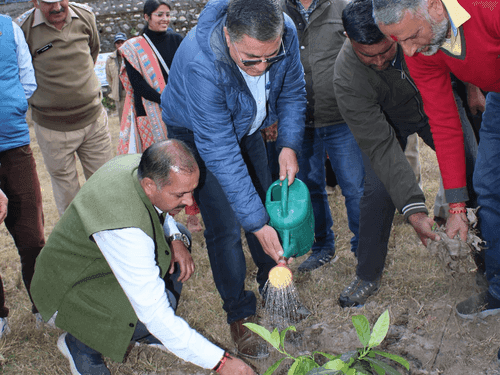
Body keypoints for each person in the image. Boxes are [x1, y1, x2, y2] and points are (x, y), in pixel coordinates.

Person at [31, 140, 256, 375]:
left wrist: (176, 237)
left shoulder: (141, 167)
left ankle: (138, 332)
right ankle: (80, 346)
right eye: (180, 194)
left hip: (91, 269)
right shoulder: (124, 227)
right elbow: (155, 313)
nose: (191, 202)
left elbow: (159, 211)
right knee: (155, 308)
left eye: (192, 191)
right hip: (65, 292)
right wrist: (220, 362)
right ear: (149, 185)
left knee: (180, 241)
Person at [161, 0, 306, 359]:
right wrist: (254, 222)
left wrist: (289, 144)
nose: (261, 69)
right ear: (228, 36)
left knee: (263, 206)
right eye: (250, 60)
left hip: (246, 125)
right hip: (197, 133)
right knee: (226, 225)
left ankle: (273, 287)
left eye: (270, 58)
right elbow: (220, 150)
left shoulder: (283, 29)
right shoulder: (201, 62)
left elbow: (292, 91)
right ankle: (240, 314)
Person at [333, 0, 478, 307]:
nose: (379, 61)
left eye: (387, 50)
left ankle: (483, 257)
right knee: (377, 191)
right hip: (385, 124)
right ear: (348, 37)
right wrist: (415, 212)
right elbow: (380, 147)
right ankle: (367, 274)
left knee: (471, 166)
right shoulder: (346, 77)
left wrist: (472, 87)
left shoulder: (414, 36)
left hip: (436, 107)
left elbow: (460, 59)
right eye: (367, 55)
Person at [371, 0, 500, 323]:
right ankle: (498, 288)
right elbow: (443, 122)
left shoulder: (489, 9)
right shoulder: (420, 49)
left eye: (412, 36)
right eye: (400, 42)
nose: (409, 52)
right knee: (487, 185)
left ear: (436, 7)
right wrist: (456, 207)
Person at [283, 0, 365, 272]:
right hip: (298, 119)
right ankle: (321, 247)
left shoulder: (343, 8)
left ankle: (364, 250)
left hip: (341, 115)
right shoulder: (278, 12)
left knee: (354, 187)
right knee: (310, 188)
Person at [16, 0, 113, 217]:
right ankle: (79, 246)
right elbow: (21, 73)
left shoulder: (86, 16)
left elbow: (92, 52)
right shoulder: (22, 29)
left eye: (62, 0)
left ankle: (109, 242)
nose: (58, 7)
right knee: (68, 198)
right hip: (53, 130)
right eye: (49, 3)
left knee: (107, 187)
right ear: (35, 2)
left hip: (94, 122)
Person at [119, 0, 203, 233]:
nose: (164, 19)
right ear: (146, 17)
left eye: (167, 15)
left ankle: (193, 214)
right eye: (159, 15)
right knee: (160, 168)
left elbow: (189, 74)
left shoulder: (178, 41)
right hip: (151, 114)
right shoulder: (133, 47)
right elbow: (139, 86)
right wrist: (168, 100)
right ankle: (162, 219)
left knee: (185, 163)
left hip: (181, 113)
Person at [0, 14, 45, 335]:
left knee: (32, 235)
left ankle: (43, 302)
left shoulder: (8, 28)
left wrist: (12, 104)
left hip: (15, 145)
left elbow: (27, 78)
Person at [105, 32, 127, 124]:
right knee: (123, 120)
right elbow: (109, 77)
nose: (120, 45)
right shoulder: (110, 59)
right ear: (115, 44)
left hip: (131, 92)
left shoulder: (131, 55)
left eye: (122, 42)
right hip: (120, 94)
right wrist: (114, 88)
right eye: (118, 43)